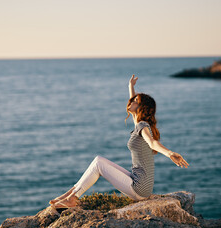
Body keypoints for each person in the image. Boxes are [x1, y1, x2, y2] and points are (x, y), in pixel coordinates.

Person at [50, 74, 189, 209]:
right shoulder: (139, 123)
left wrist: (170, 153)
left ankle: (72, 199)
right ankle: (69, 195)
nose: (131, 102)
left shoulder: (143, 126)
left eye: (135, 101)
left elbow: (152, 143)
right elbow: (133, 106)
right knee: (98, 160)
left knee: (98, 164)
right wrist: (130, 87)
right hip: (138, 181)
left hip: (139, 188)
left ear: (141, 108)